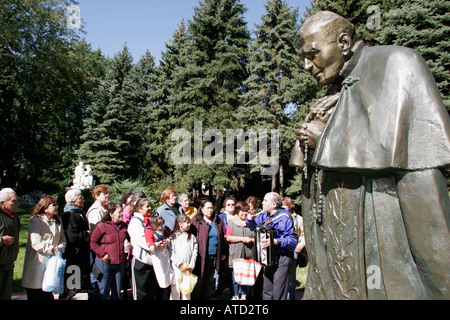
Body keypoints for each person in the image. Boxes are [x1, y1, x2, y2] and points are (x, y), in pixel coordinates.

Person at [292, 11, 450, 299]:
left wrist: (324, 139)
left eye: (312, 53)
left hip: (383, 255)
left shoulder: (394, 63)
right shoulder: (334, 92)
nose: (306, 65)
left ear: (343, 42)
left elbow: (422, 190)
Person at [246, 192, 297, 300]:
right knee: (267, 291)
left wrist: (275, 241)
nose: (262, 203)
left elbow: (293, 240)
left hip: (283, 258)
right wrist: (249, 219)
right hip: (269, 259)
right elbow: (253, 225)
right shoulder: (264, 215)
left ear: (274, 204)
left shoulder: (285, 217)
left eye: (265, 200)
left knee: (278, 292)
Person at [22, 196, 66, 300]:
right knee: (36, 292)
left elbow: (63, 239)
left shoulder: (58, 221)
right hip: (38, 263)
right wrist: (51, 249)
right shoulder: (35, 221)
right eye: (53, 205)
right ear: (44, 207)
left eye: (57, 204)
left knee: (48, 292)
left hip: (52, 263)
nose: (56, 207)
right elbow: (36, 242)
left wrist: (59, 248)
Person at [128, 198, 168, 300]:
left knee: (152, 292)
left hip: (153, 261)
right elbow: (141, 240)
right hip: (141, 262)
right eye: (147, 206)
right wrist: (155, 245)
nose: (150, 208)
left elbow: (159, 233)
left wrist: (164, 241)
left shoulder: (151, 220)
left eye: (150, 206)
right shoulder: (135, 222)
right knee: (141, 293)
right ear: (139, 209)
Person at [90, 203, 130, 300]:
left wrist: (129, 245)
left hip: (120, 263)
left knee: (117, 291)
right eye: (119, 212)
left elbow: (128, 240)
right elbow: (93, 242)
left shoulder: (124, 226)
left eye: (122, 212)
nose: (121, 214)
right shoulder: (102, 226)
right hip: (105, 263)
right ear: (111, 214)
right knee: (103, 290)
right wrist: (103, 254)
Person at [189, 200, 226, 300]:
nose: (210, 210)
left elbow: (222, 237)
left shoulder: (217, 220)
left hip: (214, 255)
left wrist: (223, 252)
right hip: (201, 256)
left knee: (209, 280)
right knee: (200, 279)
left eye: (211, 208)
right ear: (201, 209)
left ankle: (207, 297)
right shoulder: (196, 221)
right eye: (207, 208)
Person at [60, 188, 91, 300]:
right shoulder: (69, 215)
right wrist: (85, 234)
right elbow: (72, 236)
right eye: (80, 198)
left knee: (80, 285)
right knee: (72, 284)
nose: (82, 199)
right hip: (74, 255)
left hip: (83, 254)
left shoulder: (80, 212)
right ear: (72, 201)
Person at [226, 202, 255, 300]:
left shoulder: (251, 223)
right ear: (238, 211)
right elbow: (228, 237)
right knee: (235, 277)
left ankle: (244, 295)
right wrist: (242, 239)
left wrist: (252, 240)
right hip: (235, 254)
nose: (244, 213)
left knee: (246, 277)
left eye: (246, 211)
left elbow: (256, 236)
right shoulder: (231, 222)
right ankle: (235, 295)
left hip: (248, 255)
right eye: (242, 211)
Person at [282, 196, 306, 300]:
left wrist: (300, 245)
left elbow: (305, 234)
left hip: (294, 250)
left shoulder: (298, 219)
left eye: (285, 207)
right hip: (281, 250)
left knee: (291, 278)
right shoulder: (278, 218)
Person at [170, 214, 198, 300]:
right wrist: (179, 264)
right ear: (180, 224)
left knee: (186, 291)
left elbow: (195, 252)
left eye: (189, 222)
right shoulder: (173, 237)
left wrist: (191, 266)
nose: (189, 224)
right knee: (176, 290)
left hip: (188, 268)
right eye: (186, 223)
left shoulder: (192, 237)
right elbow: (172, 252)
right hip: (177, 268)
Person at [0, 188, 20, 300]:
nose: (18, 204)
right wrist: (1, 240)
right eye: (14, 201)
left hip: (8, 264)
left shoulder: (14, 217)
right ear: (3, 203)